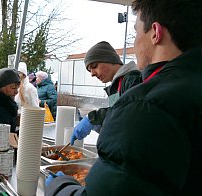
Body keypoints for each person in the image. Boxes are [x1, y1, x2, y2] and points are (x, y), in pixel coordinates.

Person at [46, 0, 202, 195]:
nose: (134, 44)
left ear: (155, 33)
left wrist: (59, 187)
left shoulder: (144, 102)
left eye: (136, 32)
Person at [71, 41, 142, 145]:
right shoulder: (116, 85)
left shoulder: (132, 80)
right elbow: (116, 121)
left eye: (94, 66)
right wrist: (99, 124)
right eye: (89, 70)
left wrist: (94, 118)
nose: (92, 74)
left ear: (110, 60)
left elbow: (128, 114)